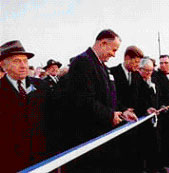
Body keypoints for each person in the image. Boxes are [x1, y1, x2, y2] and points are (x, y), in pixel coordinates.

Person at [56, 29, 138, 172]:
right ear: (103, 43)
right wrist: (110, 115)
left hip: (102, 135)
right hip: (88, 136)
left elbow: (109, 97)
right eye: (113, 50)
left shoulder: (102, 66)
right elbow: (83, 99)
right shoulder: (82, 62)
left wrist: (123, 111)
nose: (114, 55)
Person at [0, 40, 50, 172]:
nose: (23, 66)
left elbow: (52, 119)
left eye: (25, 61)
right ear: (3, 65)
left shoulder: (41, 86)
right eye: (17, 61)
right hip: (10, 162)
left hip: (42, 159)